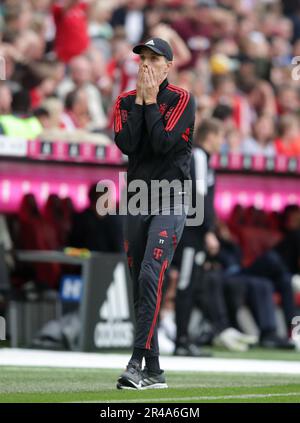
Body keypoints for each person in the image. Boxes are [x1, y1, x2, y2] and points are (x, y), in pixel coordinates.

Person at [113, 38, 195, 390]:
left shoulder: (181, 99)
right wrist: (143, 102)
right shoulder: (123, 101)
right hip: (136, 198)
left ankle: (135, 362)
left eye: (153, 58)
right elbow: (128, 144)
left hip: (171, 197)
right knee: (140, 283)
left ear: (168, 66)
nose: (145, 64)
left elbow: (163, 144)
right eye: (142, 58)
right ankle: (156, 370)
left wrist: (148, 103)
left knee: (151, 272)